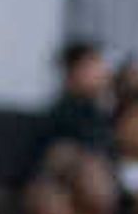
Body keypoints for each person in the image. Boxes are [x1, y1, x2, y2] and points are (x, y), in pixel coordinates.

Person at [35, 37, 117, 169]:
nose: (104, 72)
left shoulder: (105, 108)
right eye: (92, 66)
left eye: (101, 65)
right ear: (72, 71)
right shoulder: (64, 112)